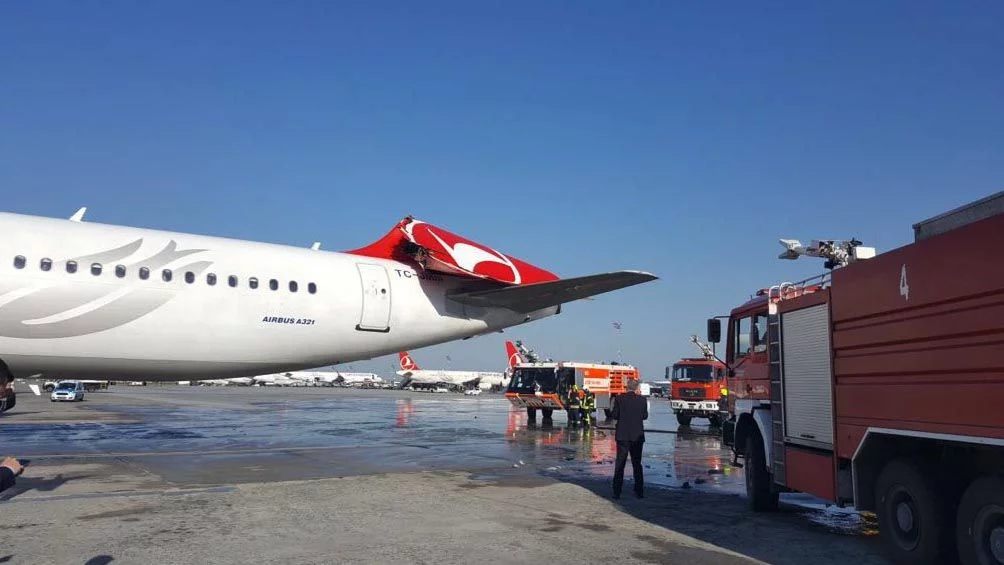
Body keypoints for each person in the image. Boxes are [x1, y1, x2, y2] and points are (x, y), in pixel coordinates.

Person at [611, 378, 648, 499]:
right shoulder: (642, 400)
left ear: (626, 387)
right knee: (637, 464)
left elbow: (615, 415)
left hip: (622, 435)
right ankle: (639, 491)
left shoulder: (619, 399)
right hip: (637, 436)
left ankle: (617, 492)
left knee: (620, 464)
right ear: (637, 388)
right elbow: (644, 416)